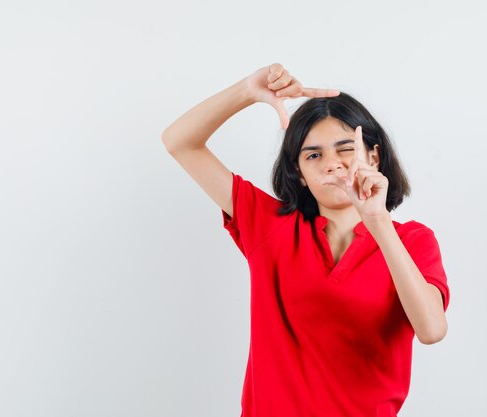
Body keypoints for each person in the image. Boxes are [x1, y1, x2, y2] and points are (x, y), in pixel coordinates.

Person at [161, 63, 450, 417]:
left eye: (346, 149)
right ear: (298, 172)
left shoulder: (412, 240)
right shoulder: (268, 225)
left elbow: (432, 329)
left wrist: (377, 220)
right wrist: (247, 91)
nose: (332, 164)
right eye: (314, 155)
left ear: (373, 156)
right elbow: (180, 142)